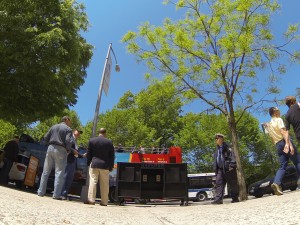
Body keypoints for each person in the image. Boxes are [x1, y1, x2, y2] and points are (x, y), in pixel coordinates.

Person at [263, 107, 300, 194]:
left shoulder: (268, 125)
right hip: (284, 141)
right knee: (297, 161)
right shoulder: (278, 120)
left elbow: (271, 138)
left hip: (277, 145)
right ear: (275, 112)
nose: (279, 112)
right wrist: (288, 144)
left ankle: (276, 183)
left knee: (283, 166)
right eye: (278, 110)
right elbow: (284, 132)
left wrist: (278, 146)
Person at [37, 116, 73, 200]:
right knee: (59, 172)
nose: (70, 122)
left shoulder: (53, 126)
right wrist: (68, 149)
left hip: (50, 148)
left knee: (46, 171)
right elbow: (68, 141)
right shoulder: (68, 129)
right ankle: (56, 194)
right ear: (66, 120)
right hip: (61, 149)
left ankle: (40, 191)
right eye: (70, 120)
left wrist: (47, 144)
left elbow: (46, 137)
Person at [85, 128, 115, 206]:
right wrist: (111, 166)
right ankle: (104, 201)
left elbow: (89, 154)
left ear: (99, 132)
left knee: (93, 181)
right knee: (105, 184)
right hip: (105, 165)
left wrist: (88, 163)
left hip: (94, 164)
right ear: (105, 133)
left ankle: (91, 200)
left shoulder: (92, 141)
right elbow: (112, 156)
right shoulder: (109, 142)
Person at [212, 133, 239, 204]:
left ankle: (235, 198)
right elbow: (216, 159)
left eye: (217, 138)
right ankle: (218, 200)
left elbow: (232, 156)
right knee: (219, 183)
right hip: (220, 169)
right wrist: (215, 168)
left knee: (232, 184)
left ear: (221, 139)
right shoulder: (217, 149)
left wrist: (232, 166)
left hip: (228, 168)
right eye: (215, 139)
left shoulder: (228, 147)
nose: (216, 140)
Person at [61, 128, 86, 200]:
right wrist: (73, 151)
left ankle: (65, 194)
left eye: (80, 133)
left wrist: (82, 156)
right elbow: (67, 146)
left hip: (73, 161)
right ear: (74, 131)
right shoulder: (70, 138)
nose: (79, 133)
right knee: (65, 177)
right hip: (68, 160)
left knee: (70, 178)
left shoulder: (75, 141)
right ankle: (62, 193)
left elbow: (76, 153)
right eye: (78, 131)